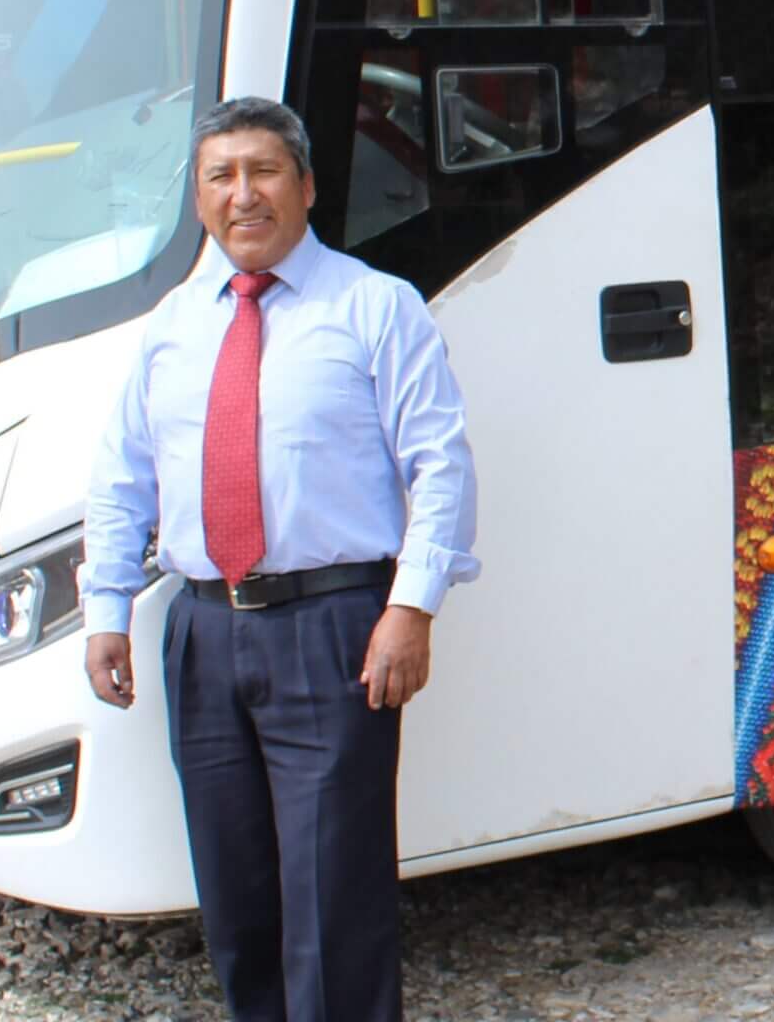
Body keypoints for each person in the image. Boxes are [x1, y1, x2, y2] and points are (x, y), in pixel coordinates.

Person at [81, 95, 479, 1022]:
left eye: (263, 172)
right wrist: (107, 609)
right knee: (236, 892)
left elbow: (441, 463)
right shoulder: (176, 326)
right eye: (221, 176)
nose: (243, 194)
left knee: (334, 891)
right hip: (203, 631)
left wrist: (411, 608)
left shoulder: (375, 307)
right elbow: (121, 481)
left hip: (335, 629)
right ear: (199, 198)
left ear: (305, 186)